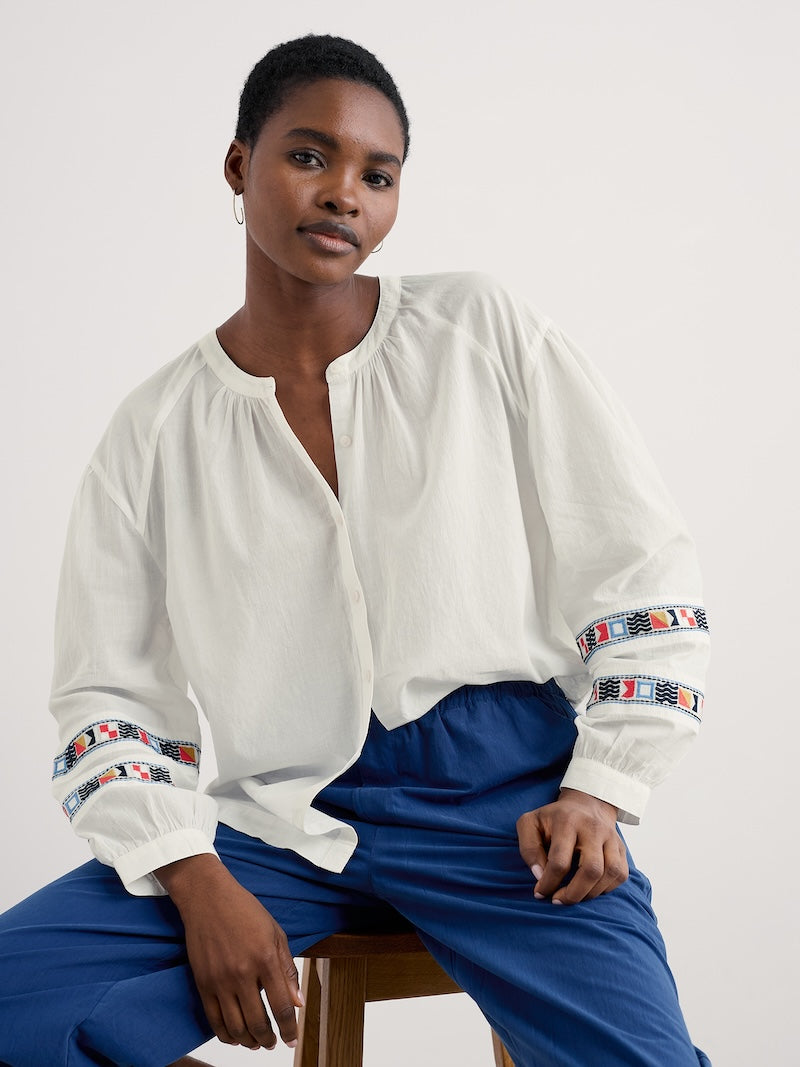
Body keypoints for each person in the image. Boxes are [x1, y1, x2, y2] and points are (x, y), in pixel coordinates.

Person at [0, 33, 711, 1067]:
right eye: (308, 156)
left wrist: (599, 785)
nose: (344, 193)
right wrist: (196, 879)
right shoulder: (156, 428)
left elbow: (639, 569)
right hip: (283, 826)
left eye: (377, 175)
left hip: (507, 812)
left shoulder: (480, 329)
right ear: (240, 166)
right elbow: (107, 694)